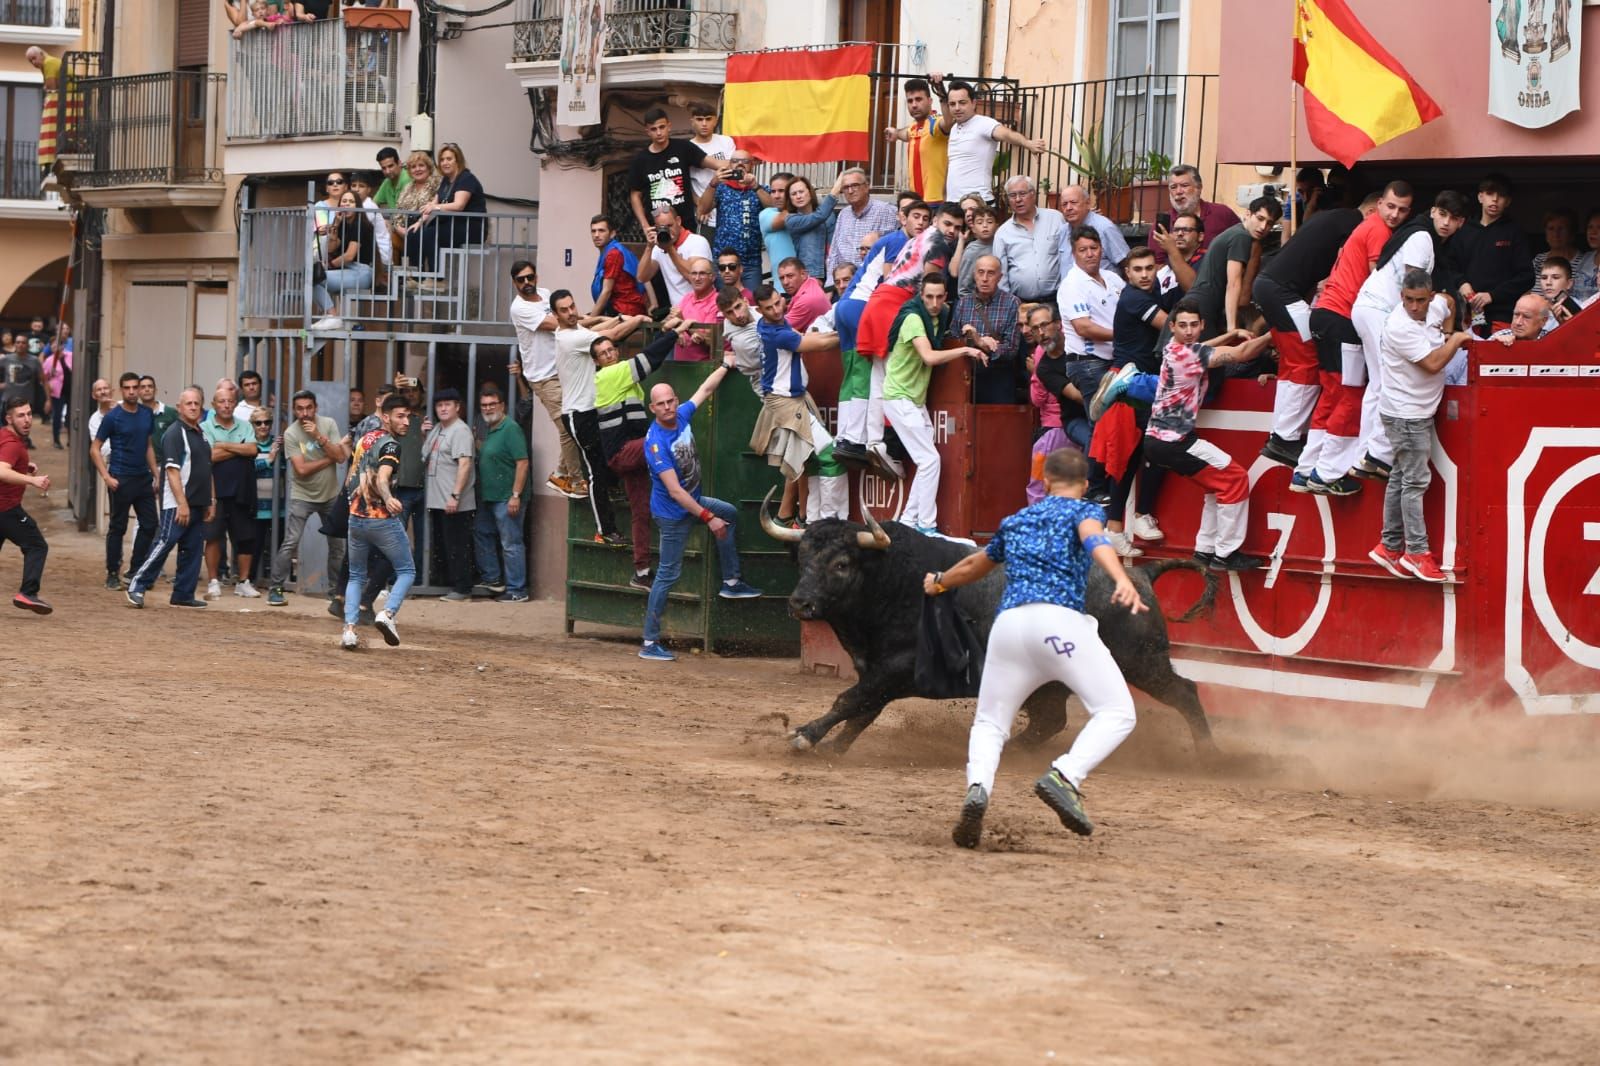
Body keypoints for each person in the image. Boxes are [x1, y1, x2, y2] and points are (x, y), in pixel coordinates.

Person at [929, 447, 1145, 848]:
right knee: (1116, 712)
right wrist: (1121, 577)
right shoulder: (1084, 511)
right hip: (1059, 625)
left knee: (990, 723)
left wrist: (940, 581)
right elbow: (1095, 540)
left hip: (1009, 626)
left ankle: (978, 789)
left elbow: (976, 565)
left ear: (1045, 482)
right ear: (1083, 485)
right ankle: (1066, 775)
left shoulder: (1017, 520)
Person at [639, 360, 762, 661]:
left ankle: (731, 583)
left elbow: (705, 389)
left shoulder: (682, 416)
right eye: (661, 404)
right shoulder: (656, 443)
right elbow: (675, 491)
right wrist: (708, 518)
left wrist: (725, 364)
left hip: (693, 502)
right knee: (668, 575)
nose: (667, 407)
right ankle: (649, 642)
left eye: (671, 401)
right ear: (652, 408)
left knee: (729, 513)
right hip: (672, 514)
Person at [1299, 180, 1414, 496]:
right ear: (1379, 205)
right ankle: (1327, 474)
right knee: (1349, 395)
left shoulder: (1368, 228)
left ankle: (1307, 469)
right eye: (1390, 206)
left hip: (1325, 315)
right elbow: (1380, 280)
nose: (1394, 214)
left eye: (1402, 210)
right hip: (1341, 318)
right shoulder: (1378, 230)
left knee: (1333, 393)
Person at [1143, 300, 1272, 570]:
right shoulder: (1192, 355)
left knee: (1218, 486)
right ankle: (1226, 554)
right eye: (1183, 326)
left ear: (1201, 326)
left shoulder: (1173, 348)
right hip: (1174, 441)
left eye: (1193, 325)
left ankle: (1205, 549)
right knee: (1235, 479)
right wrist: (1276, 332)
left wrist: (1231, 333)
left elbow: (1207, 346)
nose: (1189, 331)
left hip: (1161, 441)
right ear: (1172, 327)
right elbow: (1241, 355)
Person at [1350, 190, 1469, 481]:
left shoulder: (1420, 235)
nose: (1446, 222)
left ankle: (1368, 453)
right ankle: (1376, 455)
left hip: (1369, 307)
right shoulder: (1422, 238)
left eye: (1453, 218)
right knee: (1387, 383)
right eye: (1442, 214)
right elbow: (1413, 284)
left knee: (1378, 384)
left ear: (1461, 223)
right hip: (1379, 309)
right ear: (1432, 212)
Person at [1368, 272, 1473, 584]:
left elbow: (1450, 300)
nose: (1414, 306)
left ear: (1429, 296)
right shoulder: (1399, 326)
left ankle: (1389, 547)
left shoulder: (1437, 305)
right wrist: (1454, 339)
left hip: (1409, 411)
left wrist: (1448, 329)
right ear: (1401, 297)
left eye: (1420, 300)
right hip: (1407, 415)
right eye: (1409, 300)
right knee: (1414, 482)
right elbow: (1432, 364)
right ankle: (1415, 551)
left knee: (1401, 478)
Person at [1253, 193, 1373, 466]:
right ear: (1372, 210)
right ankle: (1285, 439)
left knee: (1291, 363)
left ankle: (1281, 434)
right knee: (1307, 358)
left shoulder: (1331, 217)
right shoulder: (1355, 224)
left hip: (1273, 289)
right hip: (1284, 293)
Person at [882, 272, 988, 537]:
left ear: (945, 296)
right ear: (920, 295)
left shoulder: (942, 313)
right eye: (929, 296)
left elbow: (951, 332)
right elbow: (929, 357)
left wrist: (971, 335)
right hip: (899, 397)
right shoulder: (913, 319)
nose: (934, 302)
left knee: (926, 461)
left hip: (913, 399)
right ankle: (926, 526)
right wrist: (966, 350)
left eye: (940, 297)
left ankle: (908, 522)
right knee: (930, 460)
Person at [550, 290, 650, 543]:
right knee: (597, 473)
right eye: (564, 310)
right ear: (555, 315)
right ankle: (604, 530)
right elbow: (611, 337)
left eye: (573, 306)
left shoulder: (574, 332)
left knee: (608, 461)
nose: (572, 312)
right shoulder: (569, 339)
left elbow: (594, 327)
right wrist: (637, 319)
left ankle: (612, 494)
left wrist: (616, 317)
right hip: (579, 415)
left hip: (593, 410)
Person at [595, 317, 684, 588]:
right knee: (659, 442)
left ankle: (642, 572)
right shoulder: (609, 375)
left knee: (641, 512)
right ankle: (683, 493)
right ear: (597, 362)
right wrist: (672, 333)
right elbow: (649, 360)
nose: (609, 355)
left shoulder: (626, 380)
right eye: (602, 354)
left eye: (611, 350)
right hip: (623, 453)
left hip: (634, 455)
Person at [751, 285, 848, 521]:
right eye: (769, 308)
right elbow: (820, 345)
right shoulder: (777, 333)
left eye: (777, 303)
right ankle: (831, 520)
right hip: (786, 402)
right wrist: (850, 333)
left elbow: (805, 337)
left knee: (811, 460)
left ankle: (813, 521)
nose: (776, 310)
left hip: (789, 399)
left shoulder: (770, 323)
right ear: (760, 310)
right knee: (830, 456)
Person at [126, 387, 214, 609]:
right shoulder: (176, 433)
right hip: (177, 504)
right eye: (188, 403)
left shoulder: (201, 433)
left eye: (196, 403)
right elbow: (172, 471)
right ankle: (137, 585)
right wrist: (181, 503)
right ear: (179, 408)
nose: (193, 407)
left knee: (193, 548)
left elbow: (206, 469)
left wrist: (211, 500)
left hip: (198, 503)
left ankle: (183, 593)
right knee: (165, 542)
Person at [339, 393, 415, 648]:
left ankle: (349, 630)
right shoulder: (392, 445)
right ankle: (388, 613)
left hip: (356, 519)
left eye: (408, 416)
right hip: (380, 518)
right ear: (385, 417)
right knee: (406, 570)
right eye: (400, 416)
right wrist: (388, 497)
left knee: (356, 576)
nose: (406, 422)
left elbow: (351, 472)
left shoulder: (366, 438)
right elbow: (382, 478)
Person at [508, 260, 587, 500]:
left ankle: (560, 473)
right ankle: (575, 480)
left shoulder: (544, 294)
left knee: (577, 419)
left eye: (530, 277)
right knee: (567, 426)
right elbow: (557, 324)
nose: (526, 283)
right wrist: (593, 323)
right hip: (543, 377)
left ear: (536, 277)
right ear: (514, 283)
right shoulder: (519, 308)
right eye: (521, 280)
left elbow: (566, 317)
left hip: (562, 368)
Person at [266, 390, 349, 606]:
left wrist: (318, 437)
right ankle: (276, 587)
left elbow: (341, 457)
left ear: (316, 408)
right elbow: (301, 470)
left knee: (338, 545)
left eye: (308, 408)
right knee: (291, 541)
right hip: (302, 495)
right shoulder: (292, 433)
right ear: (294, 410)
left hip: (330, 494)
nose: (305, 413)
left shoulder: (328, 424)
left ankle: (335, 593)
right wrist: (328, 459)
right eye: (300, 409)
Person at [929, 76, 1046, 205]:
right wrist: (946, 198)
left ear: (973, 103)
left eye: (962, 102)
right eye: (952, 104)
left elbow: (1006, 134)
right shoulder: (954, 128)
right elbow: (953, 165)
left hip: (979, 203)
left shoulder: (984, 123)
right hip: (953, 203)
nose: (957, 108)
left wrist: (1028, 143)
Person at [92, 372, 159, 590]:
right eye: (127, 388)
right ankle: (112, 573)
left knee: (150, 524)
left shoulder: (146, 413)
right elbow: (94, 449)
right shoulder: (113, 416)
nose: (132, 391)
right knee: (118, 527)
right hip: (120, 478)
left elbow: (148, 445)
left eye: (135, 387)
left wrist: (156, 474)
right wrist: (106, 476)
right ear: (121, 390)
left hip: (143, 478)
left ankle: (135, 570)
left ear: (140, 389)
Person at [1185, 195, 1282, 339]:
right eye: (1260, 219)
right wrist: (1232, 329)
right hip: (1203, 307)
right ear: (1248, 214)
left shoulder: (1237, 233)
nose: (1263, 227)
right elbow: (1234, 283)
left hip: (1199, 306)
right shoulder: (1241, 237)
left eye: (1269, 223)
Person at [628, 106, 726, 238]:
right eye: (653, 129)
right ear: (647, 131)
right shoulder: (640, 160)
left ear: (669, 126)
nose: (658, 133)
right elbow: (635, 195)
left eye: (662, 127)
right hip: (659, 228)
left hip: (686, 226)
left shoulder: (683, 147)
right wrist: (645, 225)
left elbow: (714, 163)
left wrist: (742, 162)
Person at [202, 384, 262, 599]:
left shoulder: (245, 425)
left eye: (230, 401)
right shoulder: (205, 426)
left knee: (245, 538)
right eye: (221, 401)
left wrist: (223, 445)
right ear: (213, 405)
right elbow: (208, 456)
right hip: (215, 491)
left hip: (242, 490)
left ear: (235, 404)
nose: (226, 405)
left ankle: (243, 582)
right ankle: (213, 581)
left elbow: (253, 449)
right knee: (213, 537)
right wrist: (239, 449)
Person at [1056, 227, 1126, 412]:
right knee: (1104, 425)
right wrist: (1124, 336)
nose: (1089, 254)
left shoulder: (1113, 278)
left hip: (1116, 359)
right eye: (1082, 250)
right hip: (1088, 363)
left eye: (1093, 248)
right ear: (1073, 254)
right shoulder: (1071, 285)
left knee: (1121, 423)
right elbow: (1083, 328)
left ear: (1101, 249)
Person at [473, 384, 529, 602]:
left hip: (508, 498)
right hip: (491, 497)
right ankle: (494, 579)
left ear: (502, 405)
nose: (487, 408)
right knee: (481, 532)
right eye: (484, 405)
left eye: (492, 404)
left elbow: (522, 462)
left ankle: (517, 591)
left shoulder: (511, 428)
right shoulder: (492, 429)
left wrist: (515, 494)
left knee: (511, 543)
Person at [1453, 174, 1530, 331]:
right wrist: (1462, 283)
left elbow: (1527, 276)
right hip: (1467, 314)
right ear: (1480, 197)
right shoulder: (1465, 230)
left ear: (1508, 201)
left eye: (1500, 195)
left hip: (1503, 316)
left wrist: (1492, 295)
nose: (1494, 199)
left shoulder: (1514, 232)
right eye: (1489, 194)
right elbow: (1450, 265)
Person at [0, 397, 51, 614]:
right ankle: (27, 593)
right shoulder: (13, 444)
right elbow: (1, 470)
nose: (27, 420)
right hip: (6, 509)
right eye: (21, 415)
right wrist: (32, 480)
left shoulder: (4, 435)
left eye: (29, 414)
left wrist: (22, 466)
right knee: (37, 545)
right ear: (9, 418)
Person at [424, 388, 476, 601]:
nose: (443, 408)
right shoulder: (438, 428)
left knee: (457, 545)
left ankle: (463, 588)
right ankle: (451, 584)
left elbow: (464, 464)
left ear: (457, 407)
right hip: (438, 500)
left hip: (453, 501)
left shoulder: (460, 431)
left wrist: (455, 496)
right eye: (439, 405)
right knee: (445, 544)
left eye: (448, 404)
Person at [402, 142, 485, 273]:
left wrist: (436, 207)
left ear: (458, 160)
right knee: (414, 233)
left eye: (449, 159)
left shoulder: (466, 178)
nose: (445, 163)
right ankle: (416, 275)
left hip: (470, 228)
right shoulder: (446, 181)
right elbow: (432, 204)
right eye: (442, 160)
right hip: (451, 226)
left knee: (430, 233)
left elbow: (459, 205)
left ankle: (436, 277)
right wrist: (419, 222)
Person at [953, 255, 1023, 404]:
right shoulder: (963, 303)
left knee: (997, 425)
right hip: (967, 375)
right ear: (974, 275)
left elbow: (1011, 349)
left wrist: (983, 344)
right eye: (980, 272)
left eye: (990, 273)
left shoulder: (1012, 303)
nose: (985, 278)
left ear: (1000, 277)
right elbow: (953, 341)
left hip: (999, 378)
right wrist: (971, 341)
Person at [992, 175, 1068, 307]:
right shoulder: (1003, 233)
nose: (1018, 200)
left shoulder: (1055, 219)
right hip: (1022, 303)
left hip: (1056, 300)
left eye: (1022, 194)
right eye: (1012, 195)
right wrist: (1010, 304)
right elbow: (1001, 274)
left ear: (1033, 194)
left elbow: (1067, 255)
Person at [1147, 164, 1241, 264]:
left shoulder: (1222, 213)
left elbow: (1242, 244)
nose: (1178, 192)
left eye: (1184, 186)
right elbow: (1157, 265)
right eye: (1173, 187)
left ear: (1199, 188)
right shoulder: (1162, 224)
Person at [310, 189, 377, 331]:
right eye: (344, 201)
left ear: (357, 205)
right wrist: (335, 225)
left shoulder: (361, 225)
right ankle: (330, 316)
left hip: (361, 271)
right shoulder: (343, 225)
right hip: (349, 270)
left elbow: (349, 256)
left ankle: (332, 316)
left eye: (351, 201)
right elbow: (331, 248)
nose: (347, 204)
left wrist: (330, 265)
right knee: (311, 277)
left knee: (314, 277)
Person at [636, 203, 714, 310]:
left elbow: (693, 277)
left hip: (701, 309)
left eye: (669, 226)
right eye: (661, 228)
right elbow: (642, 277)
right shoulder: (659, 247)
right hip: (677, 311)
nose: (666, 231)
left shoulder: (697, 242)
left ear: (678, 221)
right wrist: (649, 247)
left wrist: (670, 248)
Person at [883, 77, 948, 205]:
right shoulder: (914, 126)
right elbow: (906, 134)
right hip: (917, 202)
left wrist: (940, 89)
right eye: (910, 101)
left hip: (937, 203)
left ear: (930, 101)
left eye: (919, 99)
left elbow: (949, 122)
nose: (914, 105)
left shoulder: (936, 122)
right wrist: (896, 133)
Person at [825, 167, 898, 275]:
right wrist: (830, 286)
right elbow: (834, 253)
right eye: (845, 187)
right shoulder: (843, 214)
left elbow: (892, 250)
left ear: (866, 187)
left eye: (855, 185)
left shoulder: (886, 211)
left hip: (872, 280)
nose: (850, 191)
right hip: (843, 283)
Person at [773, 176, 836, 280]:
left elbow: (834, 242)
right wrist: (835, 190)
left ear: (810, 192)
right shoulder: (791, 220)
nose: (798, 196)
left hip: (833, 272)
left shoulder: (829, 215)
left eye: (801, 192)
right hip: (811, 275)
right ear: (790, 199)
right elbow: (818, 217)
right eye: (794, 194)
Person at [1058, 184, 1131, 274]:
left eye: (1073, 202)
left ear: (1088, 203)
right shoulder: (1063, 231)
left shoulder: (1105, 228)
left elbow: (1127, 264)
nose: (1068, 208)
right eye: (1064, 204)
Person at [686, 100, 735, 227]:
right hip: (705, 215)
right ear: (692, 121)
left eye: (708, 119)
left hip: (729, 208)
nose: (704, 124)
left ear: (715, 120)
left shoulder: (726, 141)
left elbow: (734, 167)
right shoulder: (687, 147)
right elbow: (687, 184)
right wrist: (701, 205)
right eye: (699, 119)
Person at [588, 214, 647, 317]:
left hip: (623, 310)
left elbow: (607, 291)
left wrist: (591, 319)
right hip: (617, 309)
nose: (596, 235)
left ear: (612, 234)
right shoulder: (611, 249)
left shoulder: (613, 254)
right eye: (593, 231)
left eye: (601, 231)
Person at [389, 151, 441, 266]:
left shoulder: (436, 183)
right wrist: (399, 228)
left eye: (421, 165)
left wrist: (415, 226)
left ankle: (416, 275)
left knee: (416, 235)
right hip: (405, 229)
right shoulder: (407, 187)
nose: (417, 169)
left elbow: (436, 207)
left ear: (428, 167)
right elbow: (397, 211)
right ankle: (395, 276)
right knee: (389, 238)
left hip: (426, 226)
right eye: (413, 167)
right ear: (409, 171)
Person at [248, 406, 281, 585]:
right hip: (257, 504)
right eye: (258, 422)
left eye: (267, 422)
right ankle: (251, 579)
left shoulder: (278, 443)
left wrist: (276, 457)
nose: (263, 426)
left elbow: (286, 468)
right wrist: (269, 460)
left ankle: (275, 581)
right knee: (256, 544)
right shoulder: (248, 444)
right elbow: (248, 469)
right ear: (252, 424)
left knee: (277, 544)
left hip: (278, 505)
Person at [672, 257, 721, 362]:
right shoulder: (687, 298)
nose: (697, 278)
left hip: (703, 369)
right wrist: (677, 331)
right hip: (679, 366)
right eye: (693, 273)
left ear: (712, 277)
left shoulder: (718, 301)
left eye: (702, 273)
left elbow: (710, 340)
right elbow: (674, 321)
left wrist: (682, 323)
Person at [348, 171, 394, 274]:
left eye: (361, 186)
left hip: (379, 258)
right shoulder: (358, 206)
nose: (357, 189)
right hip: (370, 256)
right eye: (353, 185)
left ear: (369, 190)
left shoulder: (368, 205)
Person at [758, 172, 799, 283]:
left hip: (808, 283)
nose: (776, 196)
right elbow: (782, 219)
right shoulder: (766, 214)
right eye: (773, 191)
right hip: (782, 287)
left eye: (781, 191)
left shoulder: (803, 213)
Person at [0, 336, 40, 449]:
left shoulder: (34, 361)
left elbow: (43, 380)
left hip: (26, 401)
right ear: (15, 344)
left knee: (23, 427)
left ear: (28, 345)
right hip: (8, 400)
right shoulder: (7, 359)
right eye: (18, 342)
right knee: (5, 426)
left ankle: (19, 448)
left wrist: (48, 399)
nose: (20, 345)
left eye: (23, 342)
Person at [776, 257, 832, 332]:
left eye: (790, 276)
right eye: (782, 278)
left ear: (803, 274)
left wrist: (779, 309)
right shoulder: (811, 281)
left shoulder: (807, 300)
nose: (785, 282)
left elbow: (776, 329)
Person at [955, 204, 997, 298]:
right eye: (980, 222)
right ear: (973, 228)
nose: (985, 226)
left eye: (989, 222)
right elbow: (964, 287)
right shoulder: (972, 251)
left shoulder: (1001, 245)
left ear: (996, 226)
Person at [41, 331, 70, 449]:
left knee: (70, 416)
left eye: (57, 345)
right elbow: (44, 379)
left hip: (71, 390)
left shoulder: (71, 356)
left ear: (62, 346)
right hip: (57, 392)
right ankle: (56, 440)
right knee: (57, 416)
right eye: (52, 346)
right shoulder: (49, 361)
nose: (55, 348)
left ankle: (71, 440)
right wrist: (48, 398)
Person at [1532, 208, 1580, 279]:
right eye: (1551, 228)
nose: (1555, 234)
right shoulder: (1538, 260)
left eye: (1561, 229)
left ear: (1572, 232)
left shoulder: (1584, 262)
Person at [1537, 256, 1584, 324]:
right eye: (1544, 278)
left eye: (1555, 277)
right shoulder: (1538, 309)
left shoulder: (1581, 308)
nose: (1548, 282)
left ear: (1569, 283)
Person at [85, 378, 114, 463]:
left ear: (112, 391)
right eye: (99, 389)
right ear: (94, 395)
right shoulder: (94, 420)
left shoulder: (124, 407)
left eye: (105, 388)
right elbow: (101, 449)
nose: (103, 392)